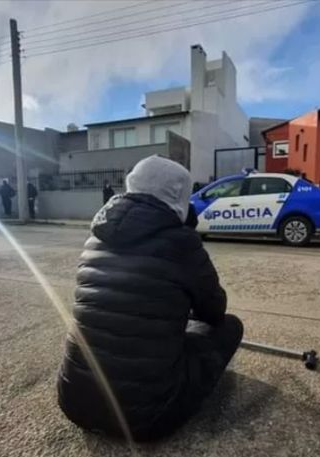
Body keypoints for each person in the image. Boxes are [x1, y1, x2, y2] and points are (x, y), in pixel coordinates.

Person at [58, 155, 243, 442]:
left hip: (74, 402)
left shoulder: (97, 235)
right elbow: (214, 311)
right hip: (146, 419)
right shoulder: (181, 242)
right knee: (230, 327)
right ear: (180, 198)